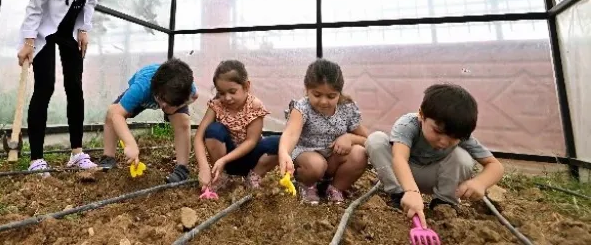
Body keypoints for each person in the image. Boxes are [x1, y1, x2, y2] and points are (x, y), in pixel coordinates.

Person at [16, 0, 112, 174]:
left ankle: (77, 153)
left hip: (71, 29)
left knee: (75, 88)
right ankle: (36, 158)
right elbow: (37, 1)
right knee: (44, 87)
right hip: (46, 28)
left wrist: (84, 28)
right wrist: (28, 40)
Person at [365, 83, 505, 228]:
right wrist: (411, 191)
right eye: (437, 131)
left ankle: (444, 203)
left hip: (434, 178)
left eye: (453, 137)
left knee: (463, 157)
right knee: (376, 140)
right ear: (421, 115)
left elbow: (495, 166)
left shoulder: (463, 136)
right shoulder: (408, 125)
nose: (444, 141)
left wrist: (480, 183)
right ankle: (398, 195)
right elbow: (399, 158)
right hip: (402, 175)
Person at [278, 59, 369, 205]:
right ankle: (307, 185)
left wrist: (350, 138)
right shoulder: (302, 108)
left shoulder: (347, 108)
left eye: (331, 96)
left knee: (360, 153)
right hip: (308, 157)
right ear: (307, 89)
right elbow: (291, 133)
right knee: (316, 165)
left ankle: (335, 188)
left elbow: (367, 140)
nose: (324, 101)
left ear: (339, 93)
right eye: (317, 95)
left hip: (333, 158)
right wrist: (284, 153)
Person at [98, 58, 198, 183]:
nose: (162, 106)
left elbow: (194, 97)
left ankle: (182, 168)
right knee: (111, 113)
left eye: (167, 104)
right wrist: (130, 143)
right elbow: (117, 114)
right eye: (160, 100)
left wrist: (174, 109)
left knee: (183, 123)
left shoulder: (187, 89)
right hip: (145, 97)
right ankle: (108, 157)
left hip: (172, 99)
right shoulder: (142, 87)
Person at [193, 60, 279, 192]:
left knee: (280, 142)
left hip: (251, 159)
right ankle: (221, 176)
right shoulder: (216, 106)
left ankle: (254, 177)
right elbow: (198, 137)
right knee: (213, 130)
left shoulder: (254, 105)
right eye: (221, 93)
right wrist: (204, 168)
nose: (227, 98)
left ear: (246, 86)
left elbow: (252, 141)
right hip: (224, 162)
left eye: (232, 91)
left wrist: (224, 159)